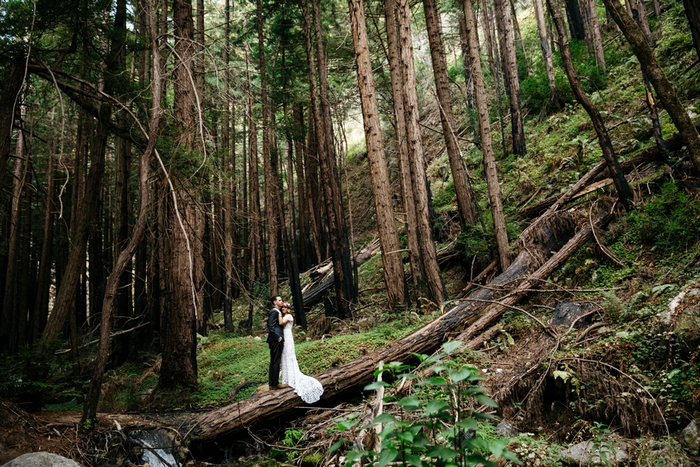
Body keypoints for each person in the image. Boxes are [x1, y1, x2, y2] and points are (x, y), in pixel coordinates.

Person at [277, 302, 324, 404]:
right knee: (284, 356)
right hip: (283, 337)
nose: (283, 309)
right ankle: (287, 378)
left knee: (289, 356)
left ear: (288, 309)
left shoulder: (289, 316)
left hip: (288, 337)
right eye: (282, 307)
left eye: (285, 307)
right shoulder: (284, 315)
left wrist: (278, 313)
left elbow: (281, 323)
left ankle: (293, 377)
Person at [267, 295, 285, 389]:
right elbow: (270, 326)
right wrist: (278, 337)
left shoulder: (277, 311)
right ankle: (273, 384)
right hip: (275, 340)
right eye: (279, 300)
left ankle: (274, 382)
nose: (281, 301)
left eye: (281, 300)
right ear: (274, 302)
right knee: (275, 361)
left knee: (276, 361)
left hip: (277, 339)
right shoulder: (274, 312)